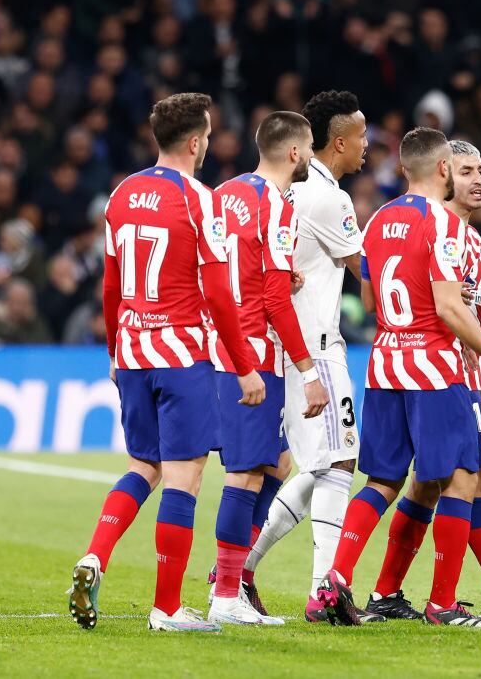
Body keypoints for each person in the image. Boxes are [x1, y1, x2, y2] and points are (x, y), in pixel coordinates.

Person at [316, 127, 481, 627]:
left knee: (393, 481)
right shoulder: (444, 226)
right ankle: (446, 603)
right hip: (438, 369)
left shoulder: (377, 221)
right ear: (443, 171)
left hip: (385, 362)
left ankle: (347, 584)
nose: (478, 180)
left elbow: (377, 303)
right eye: (465, 171)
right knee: (464, 479)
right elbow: (450, 310)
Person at [68, 93, 265, 633]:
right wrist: (245, 367)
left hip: (132, 350)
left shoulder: (121, 194)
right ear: (197, 141)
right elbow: (222, 297)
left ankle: (95, 557)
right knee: (184, 475)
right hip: (182, 355)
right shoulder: (200, 200)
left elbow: (110, 285)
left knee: (143, 467)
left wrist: (113, 350)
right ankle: (168, 607)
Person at [232, 91, 373, 623]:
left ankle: (240, 569)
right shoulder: (328, 198)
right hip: (312, 344)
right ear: (338, 142)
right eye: (361, 136)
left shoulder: (289, 189)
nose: (366, 146)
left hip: (284, 344)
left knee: (320, 463)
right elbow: (367, 274)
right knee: (339, 461)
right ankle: (323, 592)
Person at [205, 111, 328, 626]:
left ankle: (230, 575)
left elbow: (221, 269)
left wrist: (274, 280)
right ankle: (226, 592)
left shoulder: (225, 193)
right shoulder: (278, 204)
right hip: (255, 351)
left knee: (276, 464)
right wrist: (308, 370)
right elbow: (276, 302)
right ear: (295, 153)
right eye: (310, 151)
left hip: (218, 346)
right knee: (247, 475)